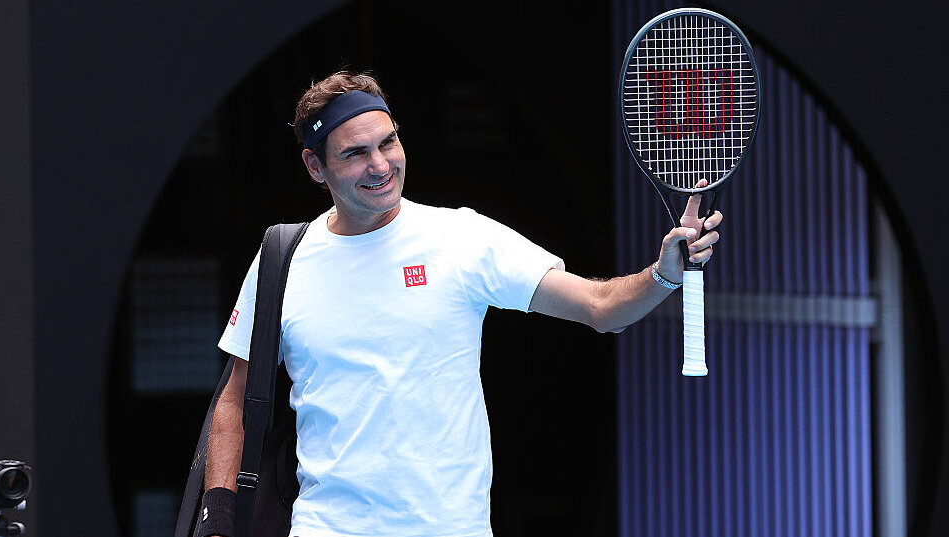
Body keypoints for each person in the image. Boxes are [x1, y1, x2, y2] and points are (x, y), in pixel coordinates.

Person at [199, 71, 722, 537]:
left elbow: (599, 306)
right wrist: (217, 522)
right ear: (315, 166)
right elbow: (233, 399)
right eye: (355, 153)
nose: (380, 165)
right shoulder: (282, 259)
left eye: (388, 142)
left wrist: (663, 274)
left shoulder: (461, 238)